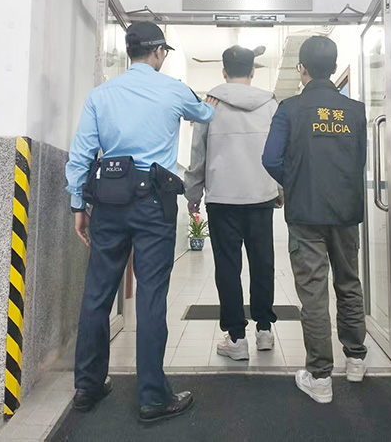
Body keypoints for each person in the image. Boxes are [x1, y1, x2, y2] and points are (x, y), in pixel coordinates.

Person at [65, 22, 216, 422]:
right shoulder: (173, 89)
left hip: (107, 202)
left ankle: (87, 387)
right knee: (150, 297)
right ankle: (152, 397)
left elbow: (81, 154)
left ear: (129, 51)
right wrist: (206, 100)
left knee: (97, 294)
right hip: (153, 203)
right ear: (159, 52)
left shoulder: (100, 95)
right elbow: (206, 114)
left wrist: (78, 204)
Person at [262, 36, 367, 404]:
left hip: (305, 212)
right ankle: (356, 360)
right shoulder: (355, 110)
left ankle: (320, 377)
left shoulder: (290, 109)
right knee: (349, 282)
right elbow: (358, 160)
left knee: (314, 292)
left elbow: (270, 159)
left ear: (301, 68)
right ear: (335, 68)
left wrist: (296, 182)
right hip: (345, 211)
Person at [185, 45, 281, 361]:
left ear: (224, 72)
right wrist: (278, 189)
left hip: (222, 198)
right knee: (263, 263)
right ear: (253, 71)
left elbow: (198, 154)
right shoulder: (270, 104)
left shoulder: (210, 104)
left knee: (228, 267)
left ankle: (237, 338)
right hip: (260, 195)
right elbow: (279, 151)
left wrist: (193, 193)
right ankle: (264, 330)